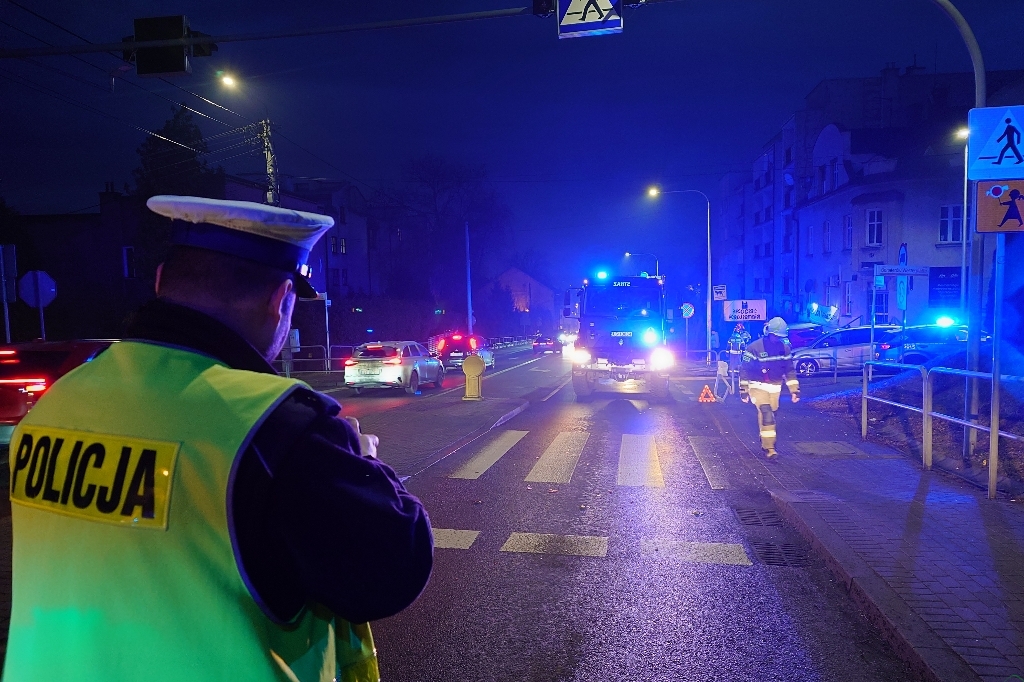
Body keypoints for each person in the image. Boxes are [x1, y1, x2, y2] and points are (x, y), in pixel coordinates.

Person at [4, 196, 434, 682]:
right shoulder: (276, 425)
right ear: (280, 302)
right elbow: (391, 573)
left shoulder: (57, 403)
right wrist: (365, 465)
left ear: (162, 283)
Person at [739, 316, 800, 459]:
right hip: (757, 386)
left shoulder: (784, 349)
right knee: (766, 413)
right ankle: (770, 449)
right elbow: (745, 369)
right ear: (768, 333)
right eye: (775, 336)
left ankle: (765, 435)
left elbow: (789, 370)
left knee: (771, 415)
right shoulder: (754, 348)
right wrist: (744, 390)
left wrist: (794, 389)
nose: (777, 339)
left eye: (779, 337)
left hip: (775, 388)